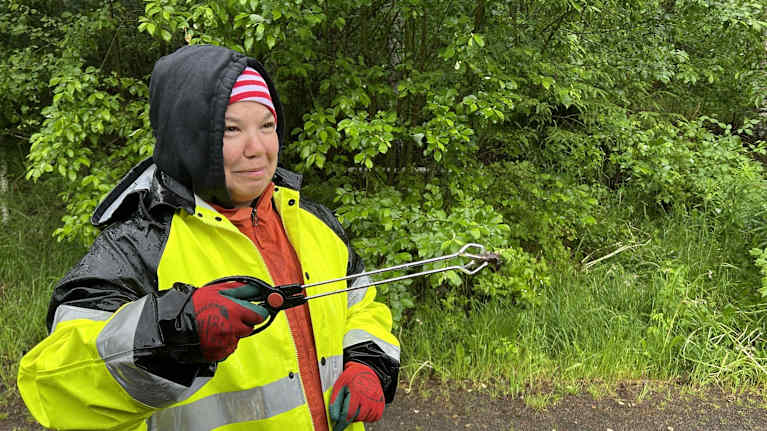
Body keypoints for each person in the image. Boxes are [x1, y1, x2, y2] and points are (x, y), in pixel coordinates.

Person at [17, 44, 400, 431]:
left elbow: (361, 305)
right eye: (231, 129)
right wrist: (170, 334)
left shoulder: (313, 223)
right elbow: (58, 386)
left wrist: (369, 364)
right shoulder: (138, 245)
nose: (258, 149)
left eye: (266, 126)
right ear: (187, 138)